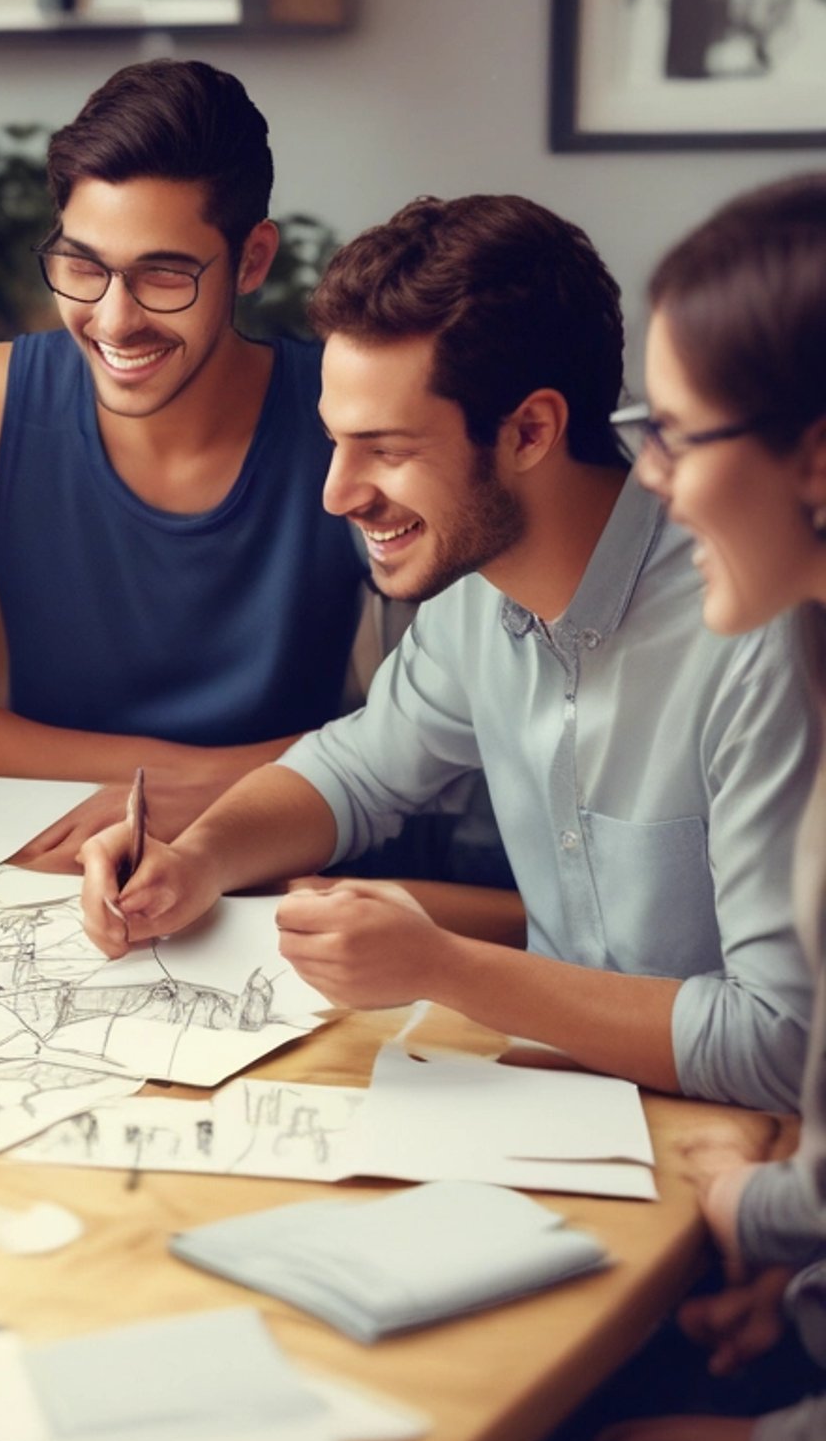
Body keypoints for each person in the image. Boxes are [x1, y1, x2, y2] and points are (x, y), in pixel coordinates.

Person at [79, 191, 815, 1112]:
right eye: (336, 444)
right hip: (564, 1110)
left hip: (738, 1139)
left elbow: (782, 1045)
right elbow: (354, 772)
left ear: (530, 431)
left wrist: (444, 968)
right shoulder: (476, 590)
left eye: (384, 450)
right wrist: (201, 859)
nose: (339, 494)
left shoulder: (759, 631)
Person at [394, 176, 826, 1441]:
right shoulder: (478, 619)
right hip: (773, 1290)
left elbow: (782, 1060)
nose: (649, 479)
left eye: (677, 436)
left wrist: (783, 1435)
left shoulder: (761, 659)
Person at [0, 58, 370, 855]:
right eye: (84, 267)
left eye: (163, 275)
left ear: (253, 261)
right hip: (42, 856)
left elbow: (441, 740)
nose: (114, 320)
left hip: (282, 858)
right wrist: (161, 781)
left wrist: (212, 796)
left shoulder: (346, 420)